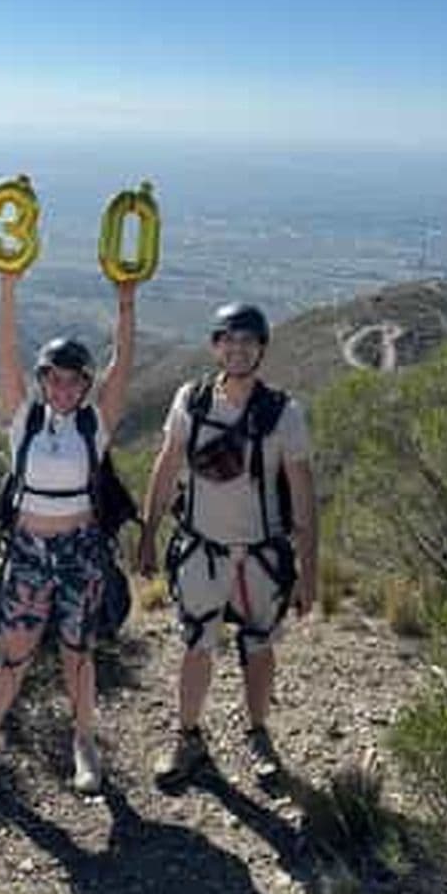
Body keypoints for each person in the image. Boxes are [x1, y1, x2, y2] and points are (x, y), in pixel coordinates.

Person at [0, 271, 136, 805]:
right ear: (42, 380)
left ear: (85, 384)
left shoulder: (95, 424)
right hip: (28, 554)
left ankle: (84, 743)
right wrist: (8, 287)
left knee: (77, 653)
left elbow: (122, 364)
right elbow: (5, 351)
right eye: (54, 379)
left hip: (80, 553)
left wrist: (126, 304)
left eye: (73, 380)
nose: (63, 388)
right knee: (12, 657)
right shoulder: (23, 419)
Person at [139, 301, 317, 789]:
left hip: (261, 554)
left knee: (258, 648)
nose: (238, 349)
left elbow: (303, 497)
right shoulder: (191, 401)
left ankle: (257, 734)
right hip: (201, 550)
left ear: (261, 348)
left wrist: (309, 571)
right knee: (196, 646)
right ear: (216, 346)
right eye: (229, 340)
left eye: (248, 341)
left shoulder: (284, 414)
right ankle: (189, 737)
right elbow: (167, 463)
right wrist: (148, 533)